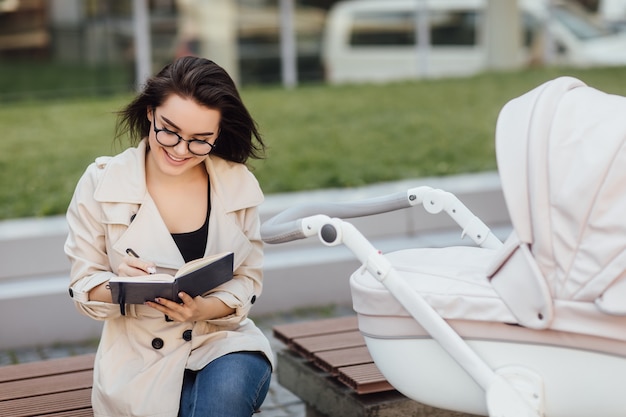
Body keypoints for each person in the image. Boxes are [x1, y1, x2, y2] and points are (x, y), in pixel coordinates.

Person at [64, 56, 273, 417]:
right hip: (138, 359)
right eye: (169, 131)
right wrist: (119, 283)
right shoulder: (102, 182)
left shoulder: (236, 183)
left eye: (200, 140)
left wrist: (202, 308)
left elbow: (248, 279)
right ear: (150, 112)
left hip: (221, 342)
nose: (179, 150)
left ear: (218, 134)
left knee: (225, 393)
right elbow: (83, 284)